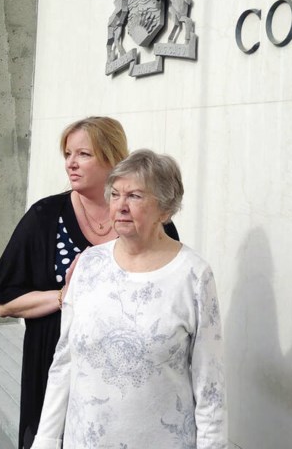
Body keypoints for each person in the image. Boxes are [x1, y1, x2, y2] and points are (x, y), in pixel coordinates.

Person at [0, 118, 180, 448]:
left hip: (129, 378)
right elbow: (4, 301)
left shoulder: (149, 219)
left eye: (83, 154)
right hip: (56, 365)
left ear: (113, 158)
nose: (71, 163)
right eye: (67, 154)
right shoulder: (44, 217)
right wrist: (65, 296)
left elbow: (169, 293)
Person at [32, 149, 227, 449]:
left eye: (135, 196)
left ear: (165, 209)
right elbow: (64, 361)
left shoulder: (193, 275)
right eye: (115, 194)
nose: (120, 206)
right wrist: (45, 440)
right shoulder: (88, 265)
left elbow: (209, 382)